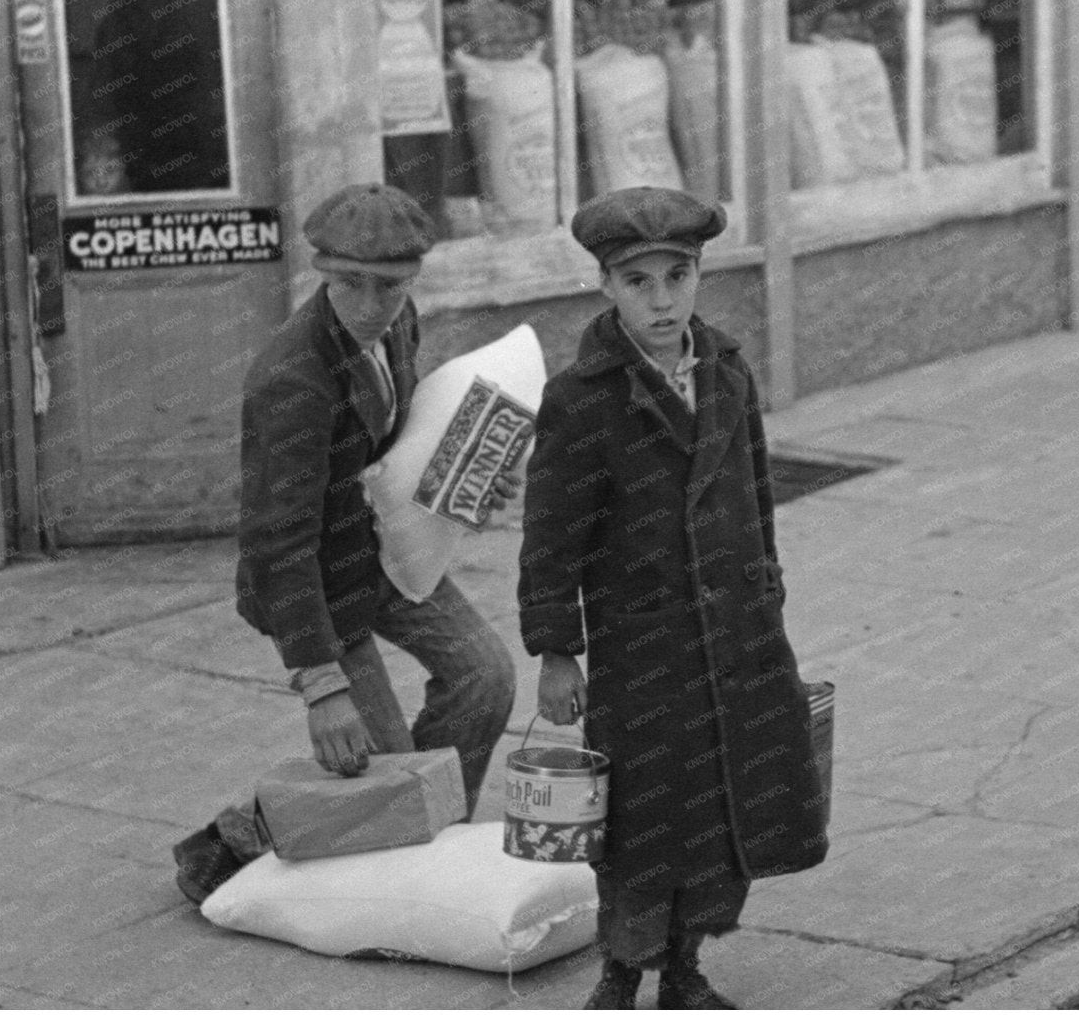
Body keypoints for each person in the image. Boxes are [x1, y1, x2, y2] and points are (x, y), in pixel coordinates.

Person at [520, 186, 827, 1009]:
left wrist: (768, 587)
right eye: (638, 281)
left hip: (735, 634)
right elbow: (552, 535)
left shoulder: (726, 370)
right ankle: (621, 970)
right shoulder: (581, 400)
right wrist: (557, 648)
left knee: (724, 805)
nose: (661, 300)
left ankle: (686, 965)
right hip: (641, 647)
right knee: (640, 814)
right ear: (606, 286)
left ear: (698, 275)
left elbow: (756, 487)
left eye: (678, 275)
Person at [173, 183, 519, 902]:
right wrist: (322, 684)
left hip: (377, 550)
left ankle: (426, 830)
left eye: (388, 287)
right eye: (348, 285)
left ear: (414, 280)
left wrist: (465, 485)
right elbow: (277, 545)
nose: (368, 305)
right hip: (312, 585)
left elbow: (394, 438)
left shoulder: (397, 325)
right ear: (322, 273)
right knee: (374, 766)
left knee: (485, 676)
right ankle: (241, 836)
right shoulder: (292, 381)